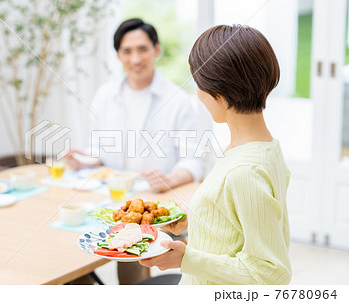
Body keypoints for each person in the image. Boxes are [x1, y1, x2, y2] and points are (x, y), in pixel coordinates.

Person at [139, 25, 292, 285]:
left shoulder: (245, 170)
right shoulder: (262, 148)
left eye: (198, 83)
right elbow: (238, 222)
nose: (197, 93)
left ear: (218, 93)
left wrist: (186, 260)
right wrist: (195, 221)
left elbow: (271, 272)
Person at [66, 18, 207, 193]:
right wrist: (84, 161)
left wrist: (169, 179)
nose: (135, 59)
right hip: (111, 196)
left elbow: (194, 161)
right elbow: (98, 152)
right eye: (127, 51)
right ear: (118, 55)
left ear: (156, 49)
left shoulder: (178, 100)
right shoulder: (104, 95)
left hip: (158, 199)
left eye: (142, 49)